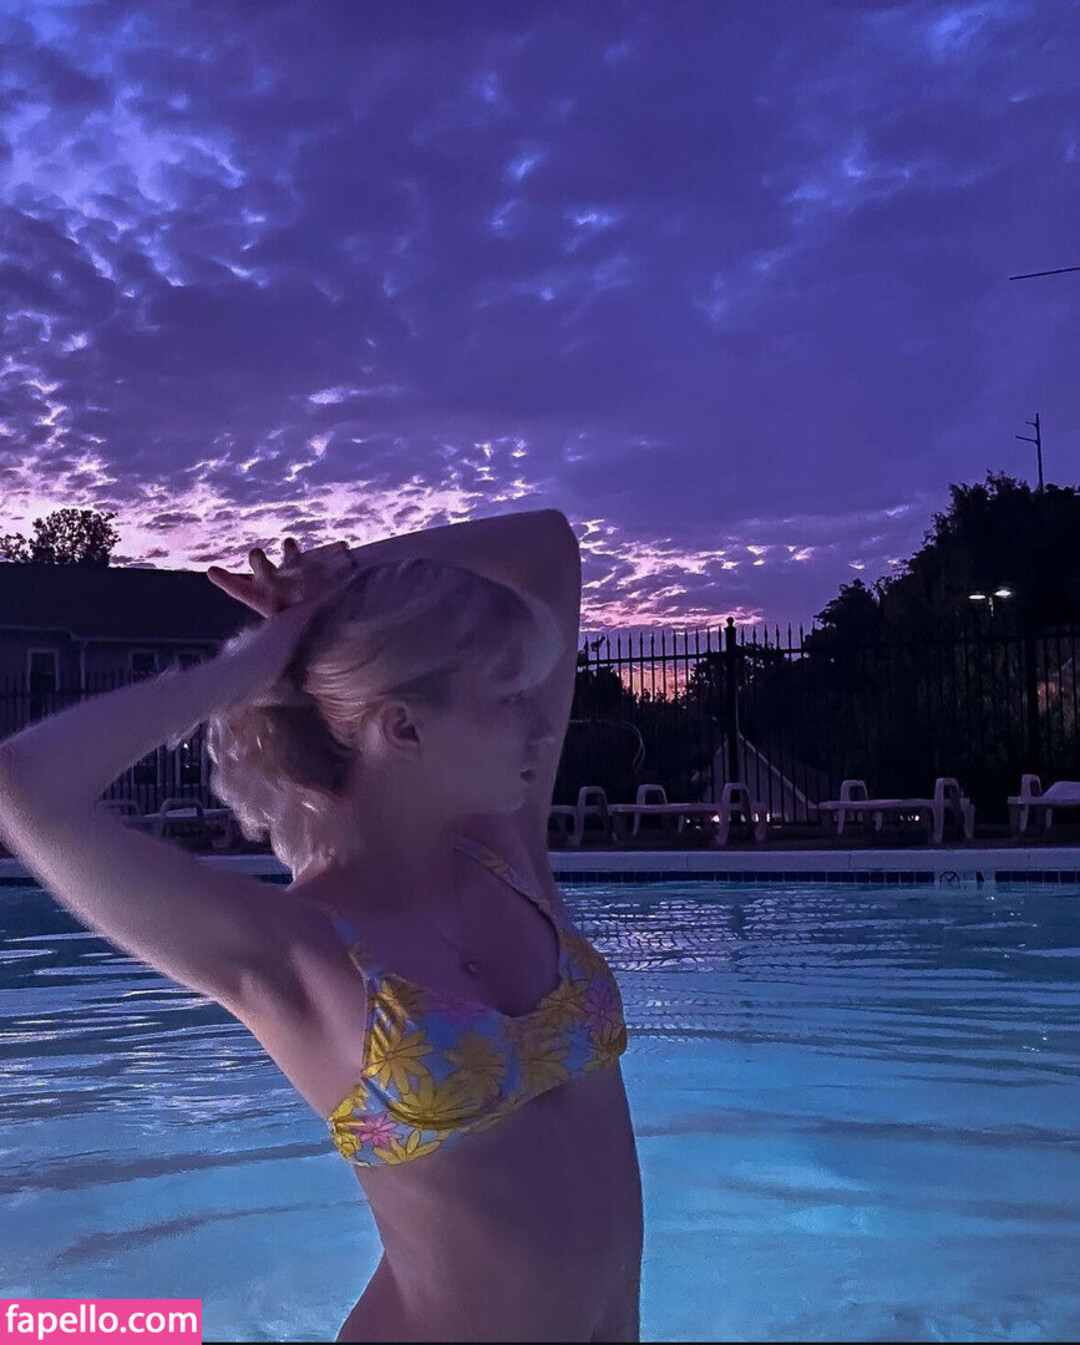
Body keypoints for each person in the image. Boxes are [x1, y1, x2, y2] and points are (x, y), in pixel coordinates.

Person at [203, 514, 644, 1342]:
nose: (541, 724)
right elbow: (37, 800)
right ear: (404, 726)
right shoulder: (312, 940)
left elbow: (548, 549)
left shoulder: (503, 848)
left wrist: (341, 579)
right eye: (504, 697)